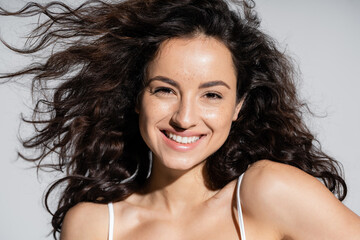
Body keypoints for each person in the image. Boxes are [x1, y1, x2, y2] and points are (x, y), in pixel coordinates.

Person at [1, 0, 359, 239]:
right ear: (137, 97)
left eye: (212, 95)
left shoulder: (270, 191)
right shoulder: (93, 227)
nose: (185, 118)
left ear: (238, 107)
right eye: (165, 90)